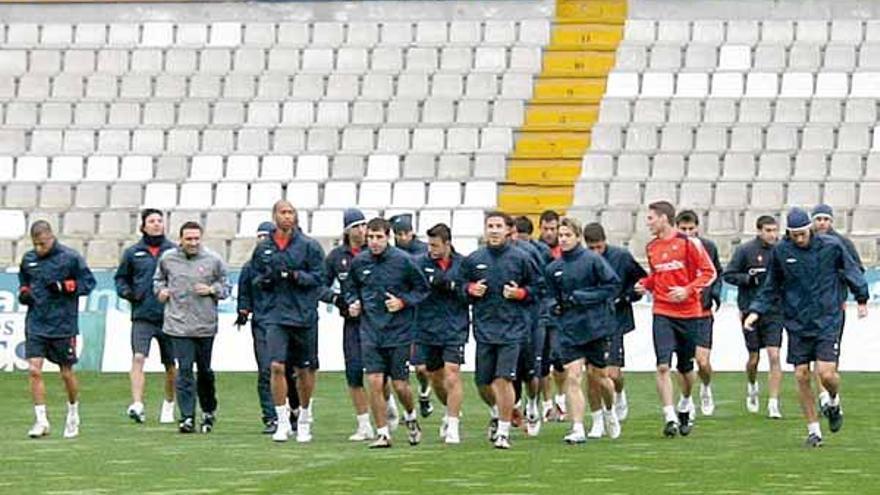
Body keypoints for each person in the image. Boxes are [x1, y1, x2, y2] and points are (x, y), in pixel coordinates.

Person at [745, 208, 868, 447]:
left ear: (809, 229)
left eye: (802, 234)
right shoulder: (782, 251)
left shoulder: (832, 246)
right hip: (796, 322)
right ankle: (813, 431)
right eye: (794, 235)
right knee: (801, 375)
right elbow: (771, 285)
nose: (799, 239)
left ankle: (833, 401)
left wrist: (861, 298)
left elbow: (853, 271)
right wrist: (755, 311)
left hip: (827, 319)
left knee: (826, 374)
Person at [345, 217, 430, 448]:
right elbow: (350, 288)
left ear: (388, 237)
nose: (374, 242)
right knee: (374, 381)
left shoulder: (404, 261)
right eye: (370, 237)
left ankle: (411, 416)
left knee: (400, 385)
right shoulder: (359, 262)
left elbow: (422, 289)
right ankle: (383, 433)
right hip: (370, 330)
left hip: (399, 331)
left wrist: (403, 301)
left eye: (379, 237)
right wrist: (353, 302)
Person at [634, 201, 716, 438]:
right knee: (662, 365)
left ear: (663, 218)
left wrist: (688, 290)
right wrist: (645, 285)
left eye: (651, 218)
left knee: (686, 368)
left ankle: (685, 402)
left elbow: (709, 273)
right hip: (662, 311)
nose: (648, 222)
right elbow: (657, 276)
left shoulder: (688, 243)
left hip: (689, 313)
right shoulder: (651, 247)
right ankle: (669, 415)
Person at [461, 211, 540, 449]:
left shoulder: (522, 258)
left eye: (498, 226)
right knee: (483, 382)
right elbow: (459, 288)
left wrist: (521, 294)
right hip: (484, 328)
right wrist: (469, 289)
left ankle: (503, 432)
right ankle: (500, 411)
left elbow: (539, 289)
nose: (494, 230)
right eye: (490, 226)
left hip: (513, 328)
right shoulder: (474, 259)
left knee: (503, 379)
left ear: (509, 230)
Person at [249, 200, 325, 443]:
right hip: (275, 316)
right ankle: (281, 420)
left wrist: (295, 276)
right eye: (283, 212)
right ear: (274, 216)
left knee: (304, 369)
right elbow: (255, 279)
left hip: (303, 316)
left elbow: (319, 278)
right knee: (277, 366)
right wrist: (267, 280)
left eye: (291, 212)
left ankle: (303, 416)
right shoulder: (264, 249)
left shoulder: (309, 246)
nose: (287, 217)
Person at [545, 217, 621, 444]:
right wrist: (553, 307)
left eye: (568, 235)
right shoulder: (553, 268)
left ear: (578, 237)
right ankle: (577, 427)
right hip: (568, 329)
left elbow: (612, 285)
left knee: (599, 377)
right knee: (573, 375)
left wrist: (584, 298)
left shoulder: (593, 261)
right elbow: (549, 295)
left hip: (595, 326)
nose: (564, 239)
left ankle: (609, 410)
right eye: (561, 235)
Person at [19, 220, 96, 439]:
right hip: (36, 322)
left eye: (42, 244)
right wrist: (24, 293)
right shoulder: (29, 259)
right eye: (35, 244)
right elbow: (24, 281)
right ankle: (41, 419)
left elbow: (88, 283)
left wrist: (66, 286)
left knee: (66, 373)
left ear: (51, 237)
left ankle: (73, 412)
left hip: (63, 324)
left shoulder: (70, 258)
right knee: (34, 369)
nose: (38, 249)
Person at [153, 221, 230, 434]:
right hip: (178, 325)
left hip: (205, 324)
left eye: (196, 238)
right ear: (181, 239)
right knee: (184, 370)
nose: (193, 242)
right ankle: (187, 416)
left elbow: (226, 287)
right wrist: (161, 292)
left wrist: (212, 289)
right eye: (189, 239)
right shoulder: (168, 259)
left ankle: (208, 410)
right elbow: (158, 281)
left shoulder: (213, 260)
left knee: (204, 371)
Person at [320, 208, 384, 441]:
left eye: (363, 225)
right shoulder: (337, 257)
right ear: (348, 230)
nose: (362, 230)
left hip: (378, 322)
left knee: (379, 373)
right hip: (352, 322)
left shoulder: (377, 252)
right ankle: (364, 423)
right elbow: (320, 286)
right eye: (356, 226)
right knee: (354, 373)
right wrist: (337, 300)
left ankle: (386, 410)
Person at [238, 221, 302, 434]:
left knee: (290, 370)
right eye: (261, 236)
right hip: (262, 323)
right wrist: (244, 311)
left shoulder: (286, 263)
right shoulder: (250, 267)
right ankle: (272, 416)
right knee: (268, 369)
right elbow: (244, 292)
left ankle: (294, 410)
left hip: (287, 321)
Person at [115, 208, 177, 425]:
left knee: (171, 365)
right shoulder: (133, 253)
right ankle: (137, 404)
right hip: (142, 315)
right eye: (152, 221)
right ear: (143, 226)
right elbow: (121, 279)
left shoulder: (173, 251)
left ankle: (169, 404)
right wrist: (128, 293)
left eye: (160, 220)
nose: (157, 224)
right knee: (138, 357)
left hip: (169, 315)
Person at [583, 222, 647, 424]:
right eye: (591, 248)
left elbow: (641, 280)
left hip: (615, 319)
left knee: (612, 372)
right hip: (590, 321)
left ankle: (619, 393)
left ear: (605, 242)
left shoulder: (621, 257)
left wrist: (630, 296)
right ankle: (600, 413)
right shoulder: (581, 262)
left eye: (599, 247)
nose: (595, 252)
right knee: (593, 372)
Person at [722, 215, 783, 419]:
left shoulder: (782, 251)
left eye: (775, 230)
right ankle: (752, 384)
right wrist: (748, 278)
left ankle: (773, 403)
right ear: (759, 231)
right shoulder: (745, 251)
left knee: (774, 355)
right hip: (749, 310)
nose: (772, 235)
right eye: (768, 230)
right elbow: (729, 275)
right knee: (754, 357)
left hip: (774, 310)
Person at [414, 223, 469, 444]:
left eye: (436, 245)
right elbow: (415, 290)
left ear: (447, 243)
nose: (432, 249)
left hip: (455, 326)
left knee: (452, 372)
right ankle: (449, 409)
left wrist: (454, 286)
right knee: (435, 375)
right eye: (429, 244)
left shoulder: (464, 264)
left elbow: (468, 292)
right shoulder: (419, 264)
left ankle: (454, 424)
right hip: (427, 327)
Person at [810, 203, 864, 413]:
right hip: (809, 309)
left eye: (825, 219)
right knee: (815, 355)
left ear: (831, 221)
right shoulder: (807, 242)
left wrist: (838, 276)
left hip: (834, 307)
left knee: (830, 356)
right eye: (818, 219)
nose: (822, 223)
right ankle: (823, 397)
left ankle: (831, 394)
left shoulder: (842, 243)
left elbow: (856, 270)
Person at [674, 210, 723, 417]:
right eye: (683, 229)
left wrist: (715, 295)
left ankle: (705, 387)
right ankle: (686, 399)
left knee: (702, 361)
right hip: (678, 313)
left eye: (690, 229)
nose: (687, 233)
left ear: (697, 228)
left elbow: (717, 274)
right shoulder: (672, 248)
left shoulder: (708, 247)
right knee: (684, 363)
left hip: (701, 312)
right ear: (676, 228)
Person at [510, 216, 549, 436]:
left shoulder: (536, 253)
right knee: (511, 370)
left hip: (535, 318)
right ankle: (513, 406)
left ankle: (533, 403)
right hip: (510, 321)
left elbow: (542, 285)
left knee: (533, 370)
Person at [537, 209, 566, 421]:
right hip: (538, 311)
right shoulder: (533, 251)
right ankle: (547, 404)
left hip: (559, 312)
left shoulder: (566, 250)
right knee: (541, 360)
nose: (549, 233)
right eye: (545, 229)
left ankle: (562, 399)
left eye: (552, 229)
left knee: (559, 357)